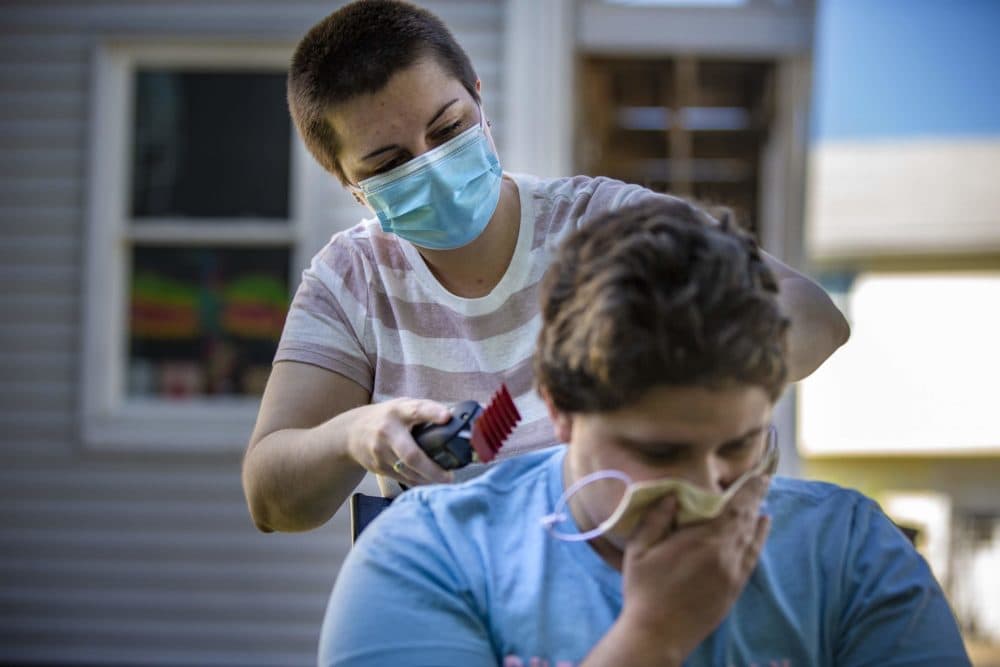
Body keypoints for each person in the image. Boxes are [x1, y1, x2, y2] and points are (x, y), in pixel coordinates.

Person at [241, 0, 850, 533]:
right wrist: (356, 433)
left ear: (479, 98)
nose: (432, 165)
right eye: (389, 163)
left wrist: (662, 368)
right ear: (349, 184)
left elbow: (814, 319)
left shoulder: (604, 221)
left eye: (448, 127)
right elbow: (271, 498)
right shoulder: (352, 278)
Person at [317, 198, 970, 666]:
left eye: (742, 443)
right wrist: (654, 634)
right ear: (560, 407)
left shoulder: (848, 553)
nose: (709, 487)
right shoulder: (427, 557)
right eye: (660, 451)